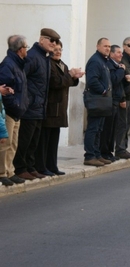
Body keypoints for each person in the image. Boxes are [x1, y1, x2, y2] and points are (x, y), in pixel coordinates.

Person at [13, 28, 60, 180]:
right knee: (25, 141)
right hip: (29, 108)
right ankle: (20, 169)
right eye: (51, 41)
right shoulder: (33, 56)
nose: (54, 44)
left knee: (34, 141)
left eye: (56, 42)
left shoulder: (45, 57)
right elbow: (20, 78)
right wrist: (25, 101)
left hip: (40, 108)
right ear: (41, 40)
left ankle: (30, 167)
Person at [35, 40, 83, 176]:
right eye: (55, 49)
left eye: (60, 49)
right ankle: (42, 166)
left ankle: (52, 166)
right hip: (50, 107)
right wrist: (70, 76)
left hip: (60, 108)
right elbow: (56, 82)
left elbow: (67, 82)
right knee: (44, 140)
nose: (58, 52)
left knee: (53, 140)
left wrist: (75, 78)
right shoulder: (48, 64)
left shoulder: (62, 65)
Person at [0, 35, 29, 186]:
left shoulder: (19, 64)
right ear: (20, 49)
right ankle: (2, 172)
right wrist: (15, 107)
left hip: (17, 112)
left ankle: (10, 171)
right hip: (10, 112)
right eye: (26, 47)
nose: (27, 50)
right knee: (5, 144)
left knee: (13, 144)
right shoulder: (8, 65)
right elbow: (5, 90)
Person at [83, 37, 112, 167]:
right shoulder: (95, 61)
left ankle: (97, 154)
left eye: (109, 47)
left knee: (99, 128)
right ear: (98, 46)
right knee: (93, 128)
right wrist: (103, 91)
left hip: (102, 100)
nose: (107, 48)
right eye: (105, 46)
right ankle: (89, 156)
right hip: (96, 99)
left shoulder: (103, 61)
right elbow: (92, 80)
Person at [100, 44, 129, 162]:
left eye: (121, 53)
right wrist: (122, 70)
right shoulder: (110, 65)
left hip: (117, 100)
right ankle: (105, 152)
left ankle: (109, 152)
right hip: (111, 101)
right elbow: (114, 80)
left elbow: (121, 85)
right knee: (107, 129)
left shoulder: (117, 66)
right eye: (118, 52)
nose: (121, 55)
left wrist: (127, 79)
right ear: (111, 54)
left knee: (113, 129)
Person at [115, 37, 130, 159]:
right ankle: (120, 149)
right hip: (125, 98)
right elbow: (120, 82)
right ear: (124, 46)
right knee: (122, 124)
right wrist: (122, 98)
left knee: (127, 123)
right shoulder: (122, 60)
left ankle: (124, 147)